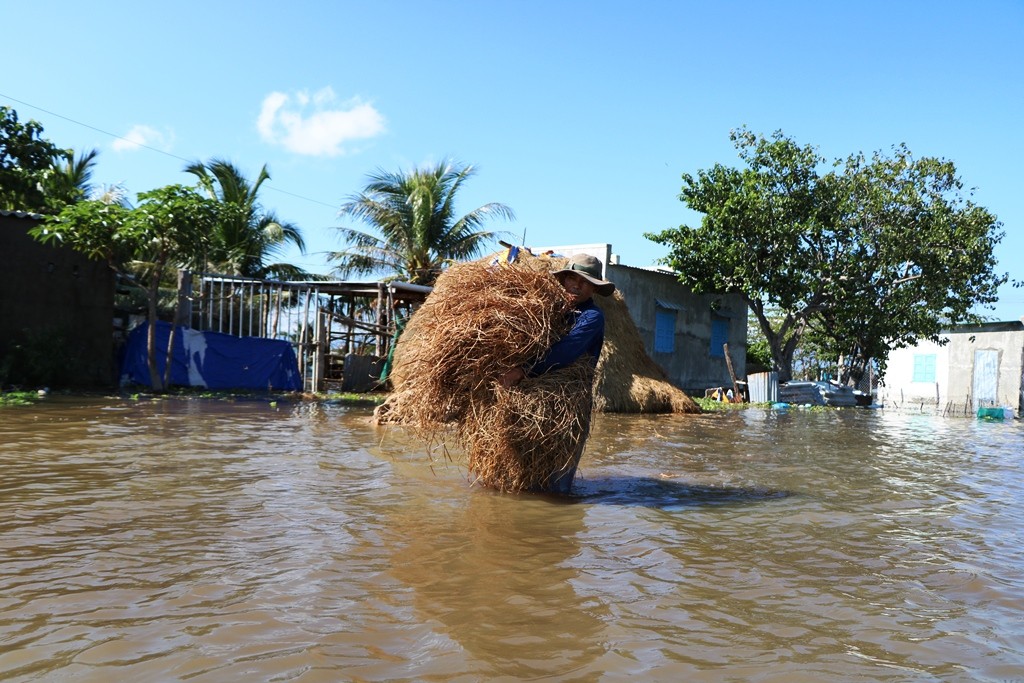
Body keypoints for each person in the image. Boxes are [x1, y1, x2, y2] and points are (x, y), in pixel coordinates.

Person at [499, 253, 616, 493]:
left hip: (567, 409)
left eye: (585, 282)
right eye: (572, 278)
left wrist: (524, 370)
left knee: (557, 489)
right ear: (563, 280)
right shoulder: (547, 313)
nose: (576, 285)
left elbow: (566, 351)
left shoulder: (592, 317)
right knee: (520, 484)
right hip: (527, 405)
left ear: (594, 288)